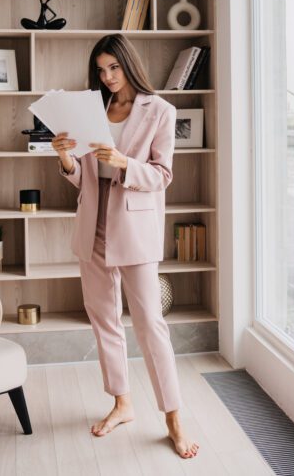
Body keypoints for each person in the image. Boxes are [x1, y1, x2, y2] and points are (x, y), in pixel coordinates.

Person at [52, 33, 200, 459]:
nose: (108, 77)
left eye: (113, 68)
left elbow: (161, 175)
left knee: (150, 324)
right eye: (100, 70)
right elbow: (83, 176)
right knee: (104, 319)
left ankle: (173, 417)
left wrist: (123, 163)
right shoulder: (92, 109)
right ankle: (122, 402)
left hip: (134, 229)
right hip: (92, 225)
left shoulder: (161, 111)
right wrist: (65, 158)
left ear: (128, 64)